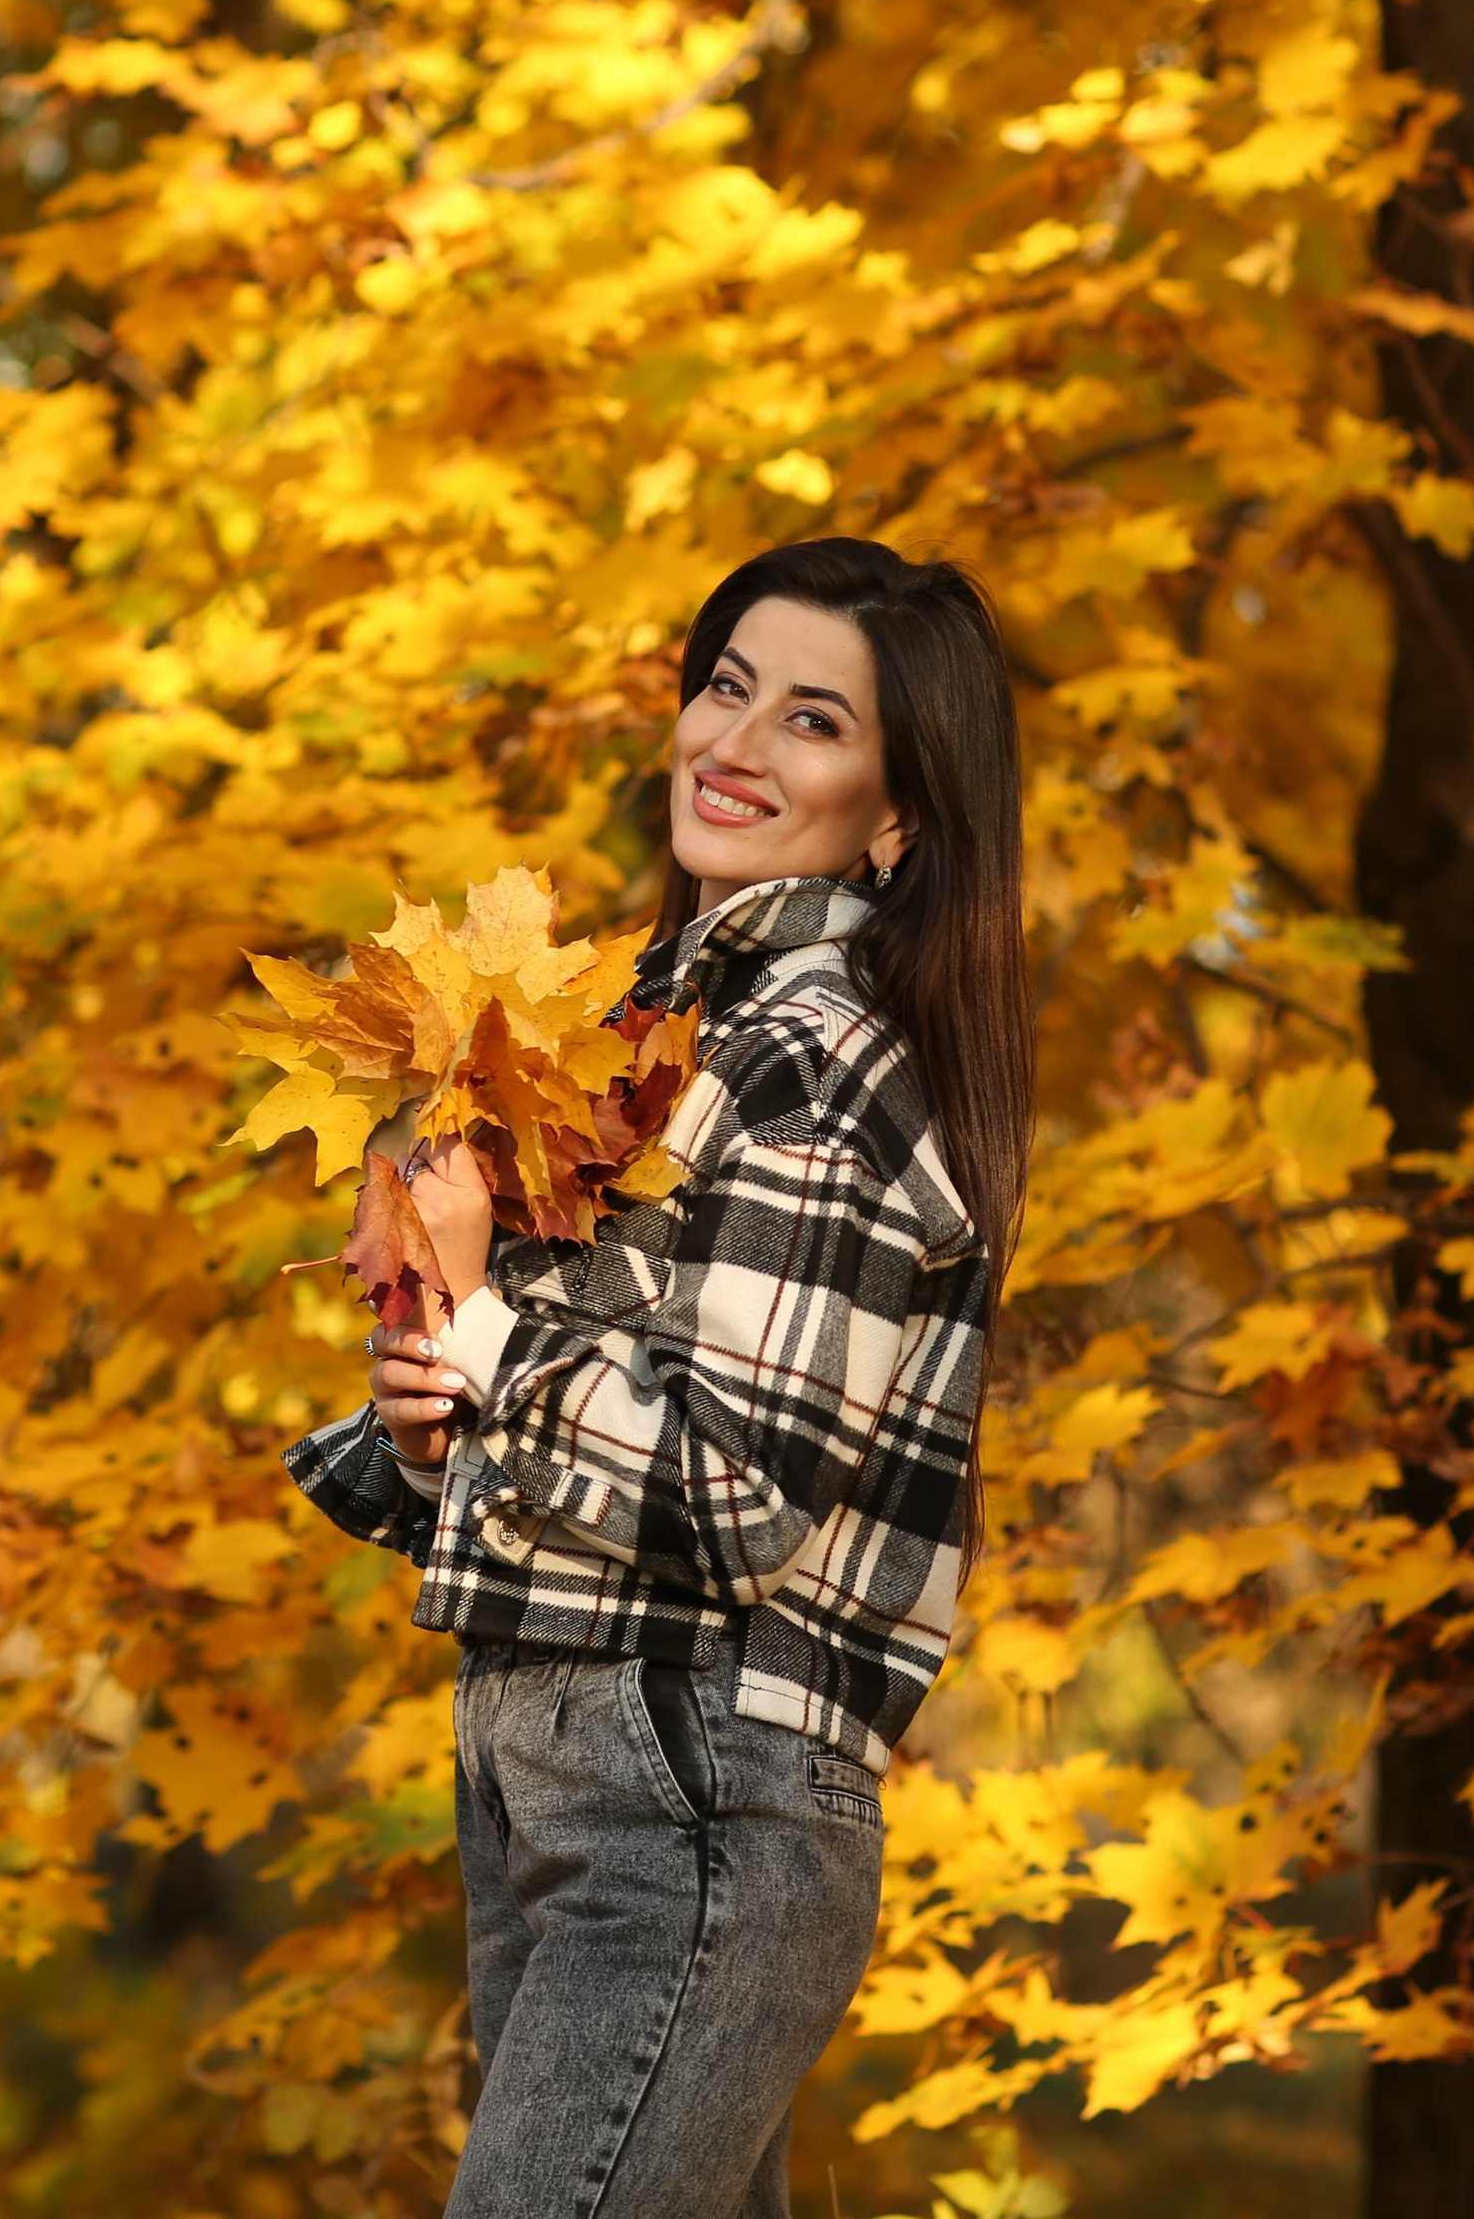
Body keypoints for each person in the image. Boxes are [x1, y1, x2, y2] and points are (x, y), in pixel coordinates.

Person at [282, 537, 1034, 2219]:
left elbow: (739, 1503)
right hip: (564, 1761)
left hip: (691, 1782)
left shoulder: (813, 1060)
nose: (736, 744)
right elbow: (596, 1436)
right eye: (726, 688)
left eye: (814, 721)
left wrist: (487, 1323)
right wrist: (430, 1412)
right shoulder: (650, 1041)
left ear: (898, 813)